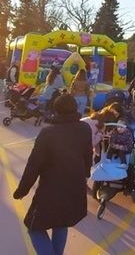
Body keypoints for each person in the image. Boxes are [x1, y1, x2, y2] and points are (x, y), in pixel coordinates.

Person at [13, 94, 92, 255]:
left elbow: (33, 166)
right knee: (61, 224)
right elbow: (88, 155)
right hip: (74, 186)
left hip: (51, 189)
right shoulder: (85, 128)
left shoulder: (48, 132)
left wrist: (22, 190)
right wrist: (85, 174)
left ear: (55, 110)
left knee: (33, 228)